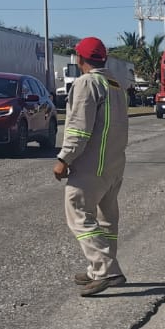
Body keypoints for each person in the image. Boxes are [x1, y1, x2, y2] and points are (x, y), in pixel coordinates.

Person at [53, 37, 129, 296]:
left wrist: (64, 159)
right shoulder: (116, 84)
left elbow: (78, 128)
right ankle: (98, 268)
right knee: (106, 218)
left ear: (79, 59)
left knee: (78, 211)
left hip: (92, 164)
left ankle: (106, 270)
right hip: (114, 163)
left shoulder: (87, 83)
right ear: (104, 58)